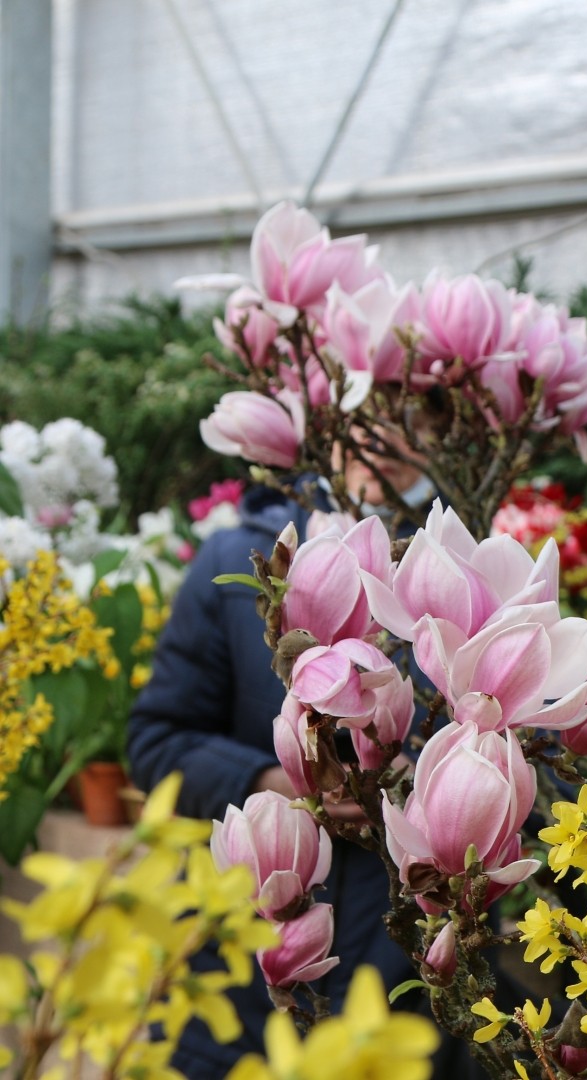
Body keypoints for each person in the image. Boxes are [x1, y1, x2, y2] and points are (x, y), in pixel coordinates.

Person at [126, 439, 434, 1079]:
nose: (390, 435)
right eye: (368, 408)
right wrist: (282, 790)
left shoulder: (452, 578)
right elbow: (158, 740)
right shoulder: (240, 564)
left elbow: (526, 769)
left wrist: (424, 787)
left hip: (396, 980)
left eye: (414, 410)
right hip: (241, 971)